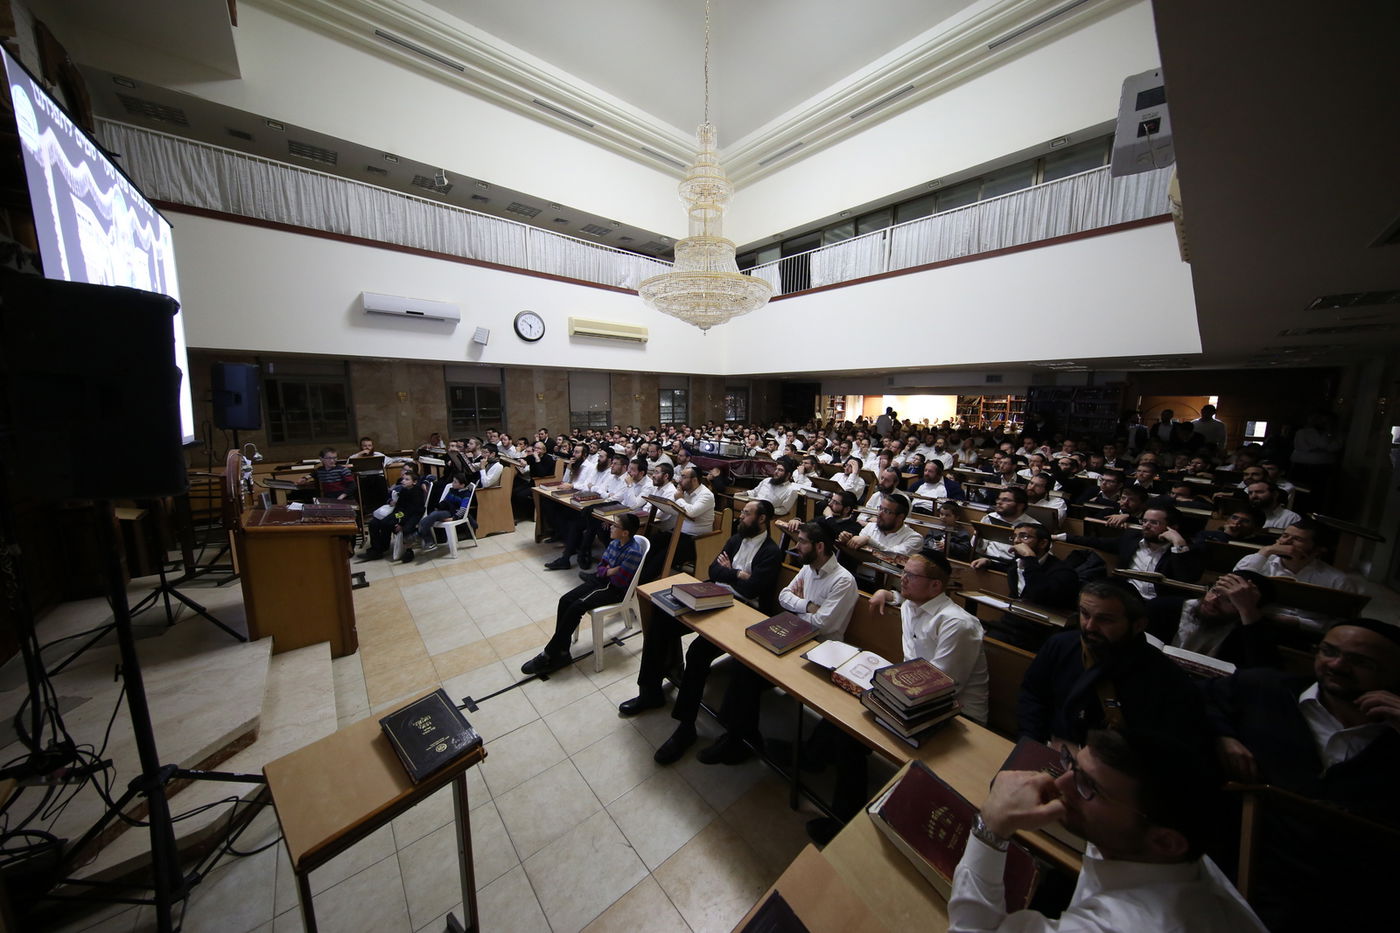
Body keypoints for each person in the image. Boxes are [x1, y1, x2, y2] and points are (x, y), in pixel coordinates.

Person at [950, 728, 1266, 933]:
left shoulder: (1129, 924)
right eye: (1072, 765)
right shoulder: (1160, 851)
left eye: (1089, 786)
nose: (1061, 784)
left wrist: (990, 826)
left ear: (1166, 841)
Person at [1201, 619, 1400, 932]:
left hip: (1343, 894)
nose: (1337, 665)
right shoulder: (1265, 688)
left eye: (1360, 662)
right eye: (1329, 651)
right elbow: (1200, 701)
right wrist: (1221, 736)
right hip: (1238, 863)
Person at [807, 553, 990, 844]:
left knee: (854, 729)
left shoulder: (958, 624)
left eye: (911, 576)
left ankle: (844, 821)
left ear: (934, 587)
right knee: (843, 713)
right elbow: (899, 598)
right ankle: (813, 760)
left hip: (956, 714)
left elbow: (942, 686)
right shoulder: (912, 603)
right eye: (903, 572)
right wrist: (885, 593)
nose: (903, 578)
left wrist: (885, 694)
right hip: (912, 695)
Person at [624, 500, 783, 762]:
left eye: (746, 514)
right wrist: (736, 574)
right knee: (661, 621)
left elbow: (752, 589)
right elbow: (713, 569)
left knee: (698, 652)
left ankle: (686, 728)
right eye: (742, 513)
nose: (740, 517)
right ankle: (649, 690)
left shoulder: (770, 552)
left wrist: (730, 573)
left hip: (742, 610)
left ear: (762, 519)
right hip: (716, 593)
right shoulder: (736, 539)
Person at [696, 522, 857, 765]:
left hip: (819, 651)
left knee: (746, 672)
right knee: (743, 661)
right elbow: (784, 597)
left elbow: (821, 624)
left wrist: (800, 607)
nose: (796, 546)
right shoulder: (808, 569)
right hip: (794, 635)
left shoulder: (843, 581)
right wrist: (806, 605)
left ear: (820, 546)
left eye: (802, 542)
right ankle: (739, 736)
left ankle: (738, 739)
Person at [1017, 580, 1212, 749]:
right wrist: (1031, 743)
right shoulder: (1060, 645)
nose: (1090, 626)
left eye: (1105, 620)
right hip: (1049, 749)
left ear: (1138, 625)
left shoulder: (1166, 678)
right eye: (1085, 614)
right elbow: (1033, 694)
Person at [521, 512, 645, 675]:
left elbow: (620, 581)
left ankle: (549, 653)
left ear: (625, 532)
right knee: (565, 600)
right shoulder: (614, 543)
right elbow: (601, 567)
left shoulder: (633, 552)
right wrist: (610, 571)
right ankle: (563, 651)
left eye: (615, 526)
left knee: (576, 607)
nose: (610, 527)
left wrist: (607, 572)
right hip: (604, 581)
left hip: (614, 590)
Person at [1059, 505, 1204, 600]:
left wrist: (1178, 544)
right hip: (1125, 596)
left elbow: (1186, 579)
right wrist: (1062, 536)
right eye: (1144, 521)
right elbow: (1097, 542)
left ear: (1172, 528)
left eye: (1154, 523)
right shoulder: (1131, 539)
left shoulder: (1187, 550)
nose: (1146, 526)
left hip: (1158, 603)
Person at [973, 524, 1080, 649]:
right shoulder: (1018, 563)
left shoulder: (1064, 572)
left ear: (1043, 543)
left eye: (1024, 537)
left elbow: (1038, 594)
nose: (1017, 541)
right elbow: (1012, 570)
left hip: (1039, 633)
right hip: (1012, 623)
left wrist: (1030, 558)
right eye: (1014, 537)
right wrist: (990, 563)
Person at [1146, 571, 1279, 668]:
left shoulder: (1251, 630)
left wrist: (1248, 612)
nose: (1213, 601)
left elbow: (1262, 673)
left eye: (1228, 600)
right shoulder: (1163, 608)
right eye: (1215, 591)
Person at [359, 471, 425, 562]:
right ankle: (376, 549)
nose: (403, 481)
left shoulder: (417, 492)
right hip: (401, 513)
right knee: (374, 523)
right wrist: (394, 515)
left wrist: (401, 523)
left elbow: (412, 510)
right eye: (403, 479)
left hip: (412, 514)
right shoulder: (404, 490)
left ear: (414, 482)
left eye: (407, 479)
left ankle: (408, 551)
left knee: (393, 524)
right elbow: (399, 507)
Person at [838, 492, 923, 558]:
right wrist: (848, 540)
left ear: (900, 517)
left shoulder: (914, 538)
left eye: (886, 511)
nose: (879, 514)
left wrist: (869, 540)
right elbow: (858, 549)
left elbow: (895, 556)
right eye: (880, 508)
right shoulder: (870, 526)